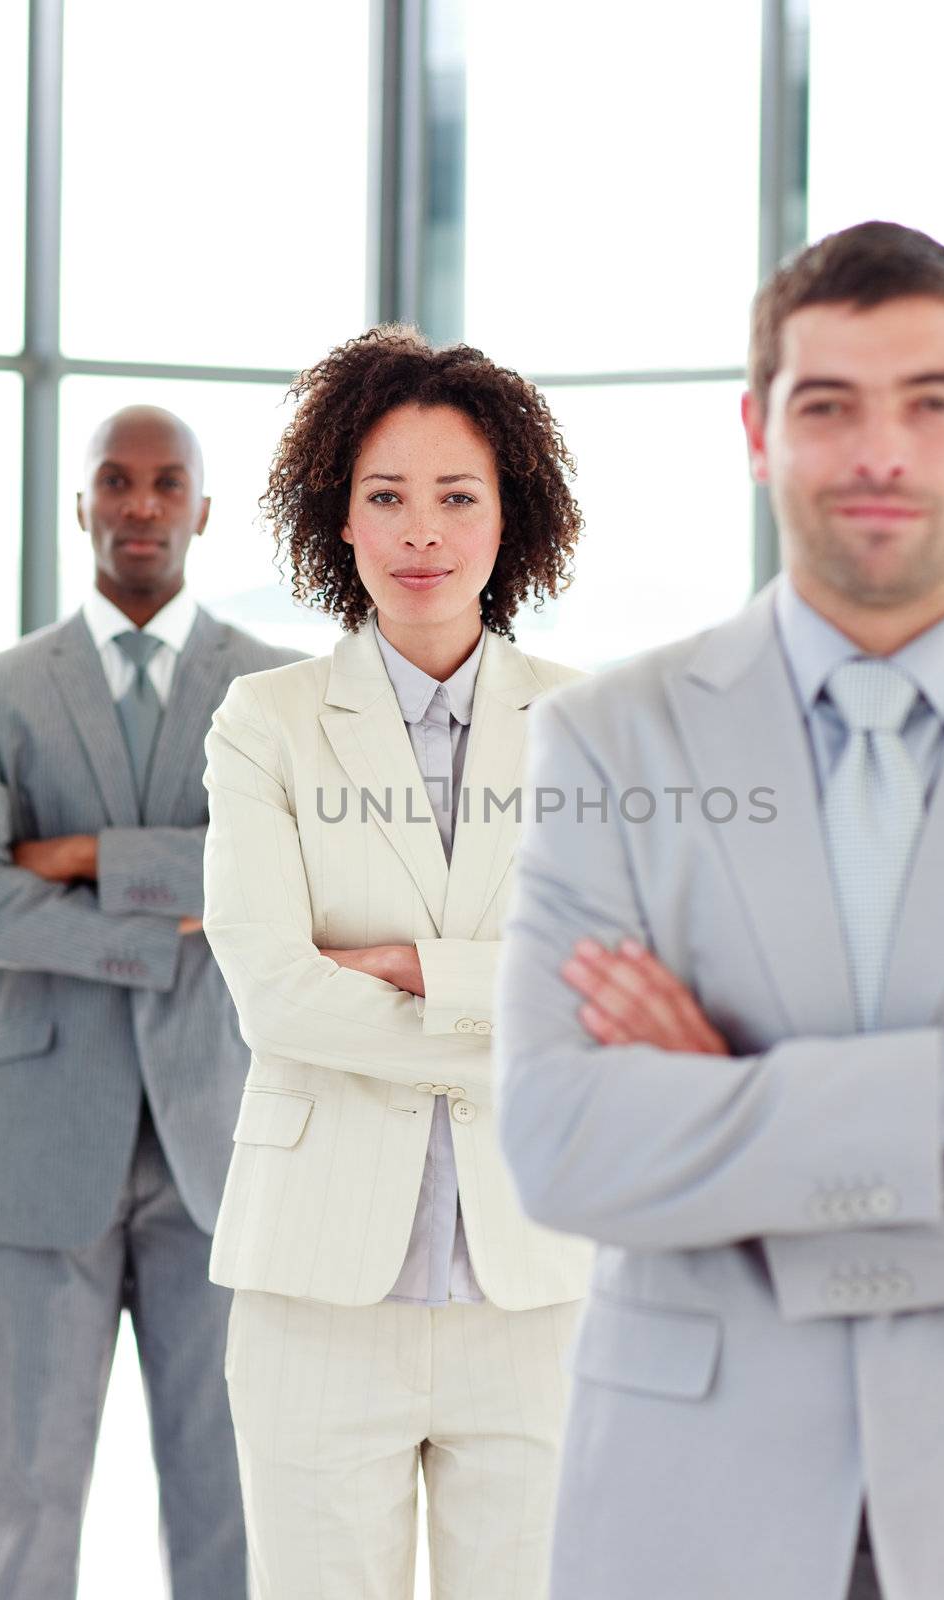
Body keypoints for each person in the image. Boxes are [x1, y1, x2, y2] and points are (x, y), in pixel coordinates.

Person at [495, 221, 944, 1600]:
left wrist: (725, 1119)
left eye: (929, 401)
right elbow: (563, 1149)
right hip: (691, 1502)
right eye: (826, 405)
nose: (879, 453)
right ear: (754, 429)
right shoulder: (609, 738)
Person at [200, 326, 594, 1600]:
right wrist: (505, 986)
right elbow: (273, 990)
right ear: (341, 517)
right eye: (385, 495)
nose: (421, 530)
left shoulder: (588, 725)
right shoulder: (265, 722)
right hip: (316, 1290)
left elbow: (618, 988)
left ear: (508, 514)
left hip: (535, 1287)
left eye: (456, 495)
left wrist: (421, 969)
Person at [0, 405, 305, 1599]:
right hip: (43, 1150)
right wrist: (167, 916)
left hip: (227, 1148)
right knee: (27, 1501)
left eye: (166, 482)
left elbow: (291, 882)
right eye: (115, 480)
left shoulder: (277, 691)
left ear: (202, 507)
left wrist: (79, 851)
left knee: (227, 1497)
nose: (140, 503)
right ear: (83, 503)